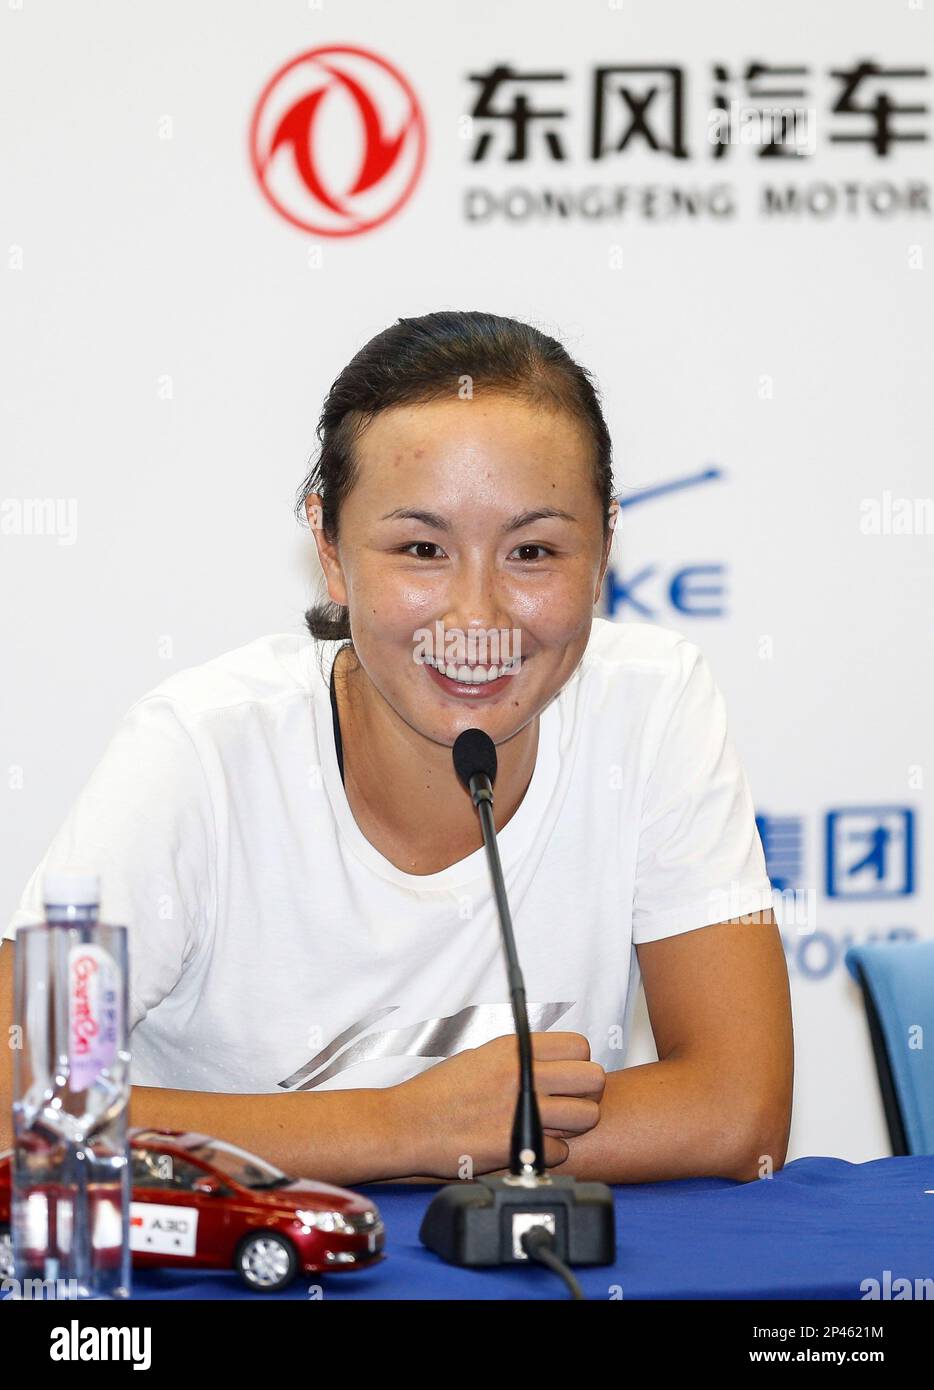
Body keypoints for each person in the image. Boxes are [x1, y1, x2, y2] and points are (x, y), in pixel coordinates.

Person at [0, 310, 793, 1186]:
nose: (478, 619)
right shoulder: (200, 749)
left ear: (604, 549)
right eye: (421, 549)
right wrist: (403, 1126)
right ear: (331, 552)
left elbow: (737, 1109)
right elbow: (17, 1098)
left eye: (534, 551)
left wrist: (450, 1134)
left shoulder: (652, 701)